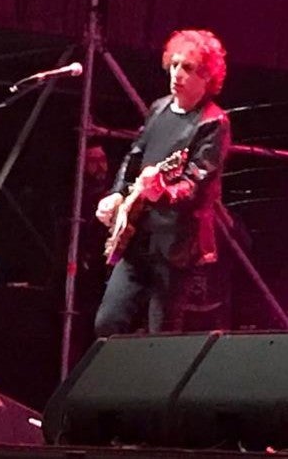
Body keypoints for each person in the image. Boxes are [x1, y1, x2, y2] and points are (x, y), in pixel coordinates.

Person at [93, 29, 233, 335]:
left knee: (162, 335)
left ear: (207, 77)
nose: (177, 74)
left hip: (175, 248)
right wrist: (116, 195)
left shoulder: (212, 122)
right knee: (107, 323)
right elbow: (135, 156)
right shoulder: (159, 108)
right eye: (174, 65)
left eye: (188, 68)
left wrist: (163, 193)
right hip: (137, 236)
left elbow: (196, 182)